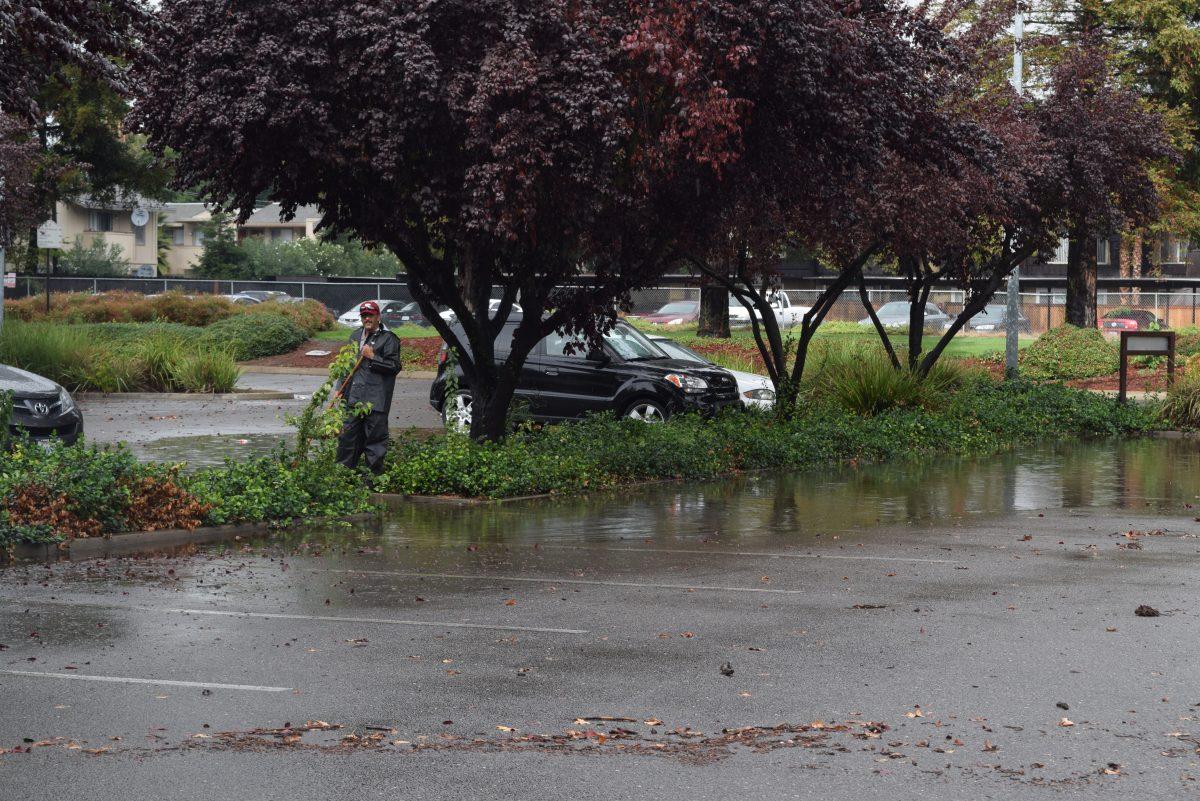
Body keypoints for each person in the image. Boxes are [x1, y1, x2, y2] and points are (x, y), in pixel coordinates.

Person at [335, 301, 401, 473]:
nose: (367, 318)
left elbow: (394, 367)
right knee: (347, 439)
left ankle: (372, 482)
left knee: (375, 443)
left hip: (376, 400)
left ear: (378, 316)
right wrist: (339, 388)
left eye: (370, 315)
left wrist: (373, 357)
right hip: (353, 398)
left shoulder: (389, 339)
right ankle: (343, 477)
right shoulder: (355, 336)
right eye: (364, 315)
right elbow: (347, 365)